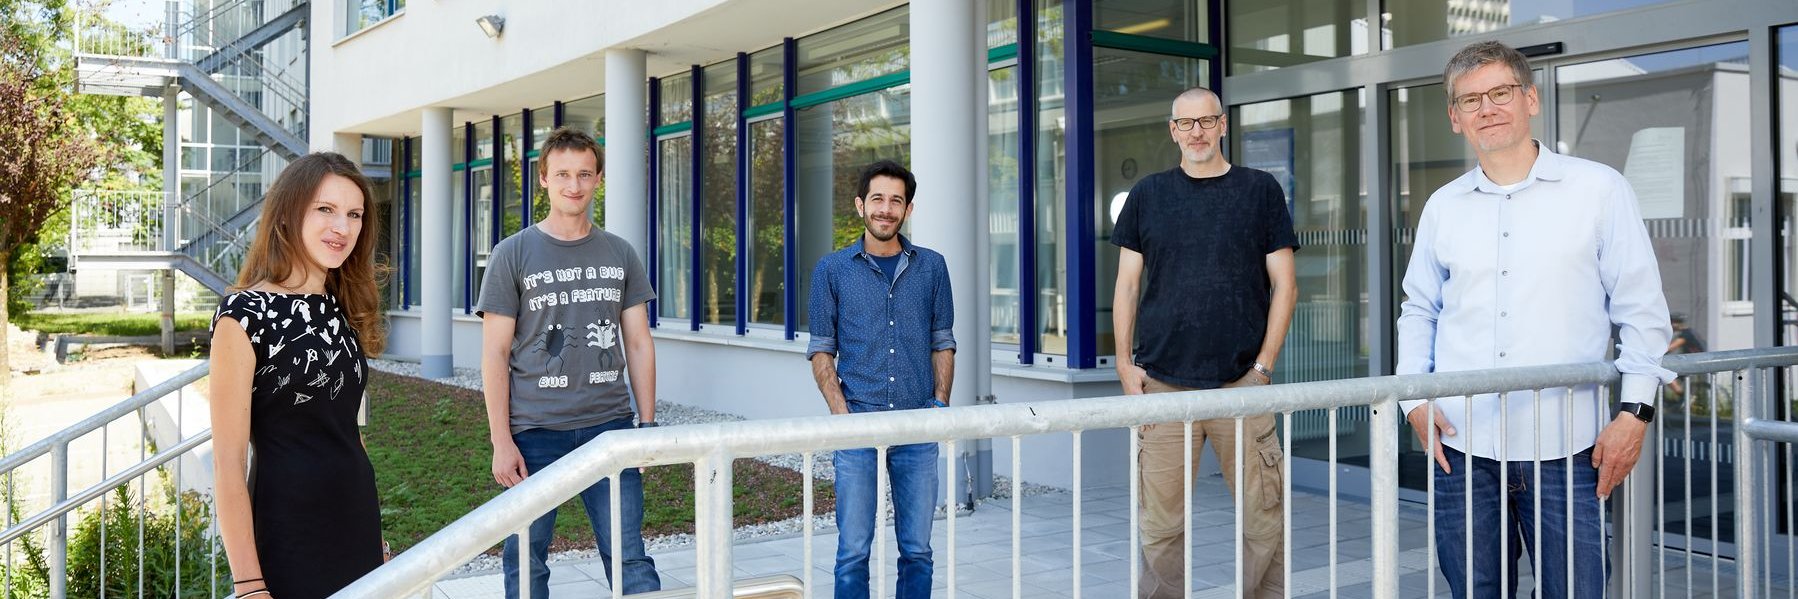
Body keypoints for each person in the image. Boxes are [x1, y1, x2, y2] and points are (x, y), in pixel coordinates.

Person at [1397, 40, 1675, 599]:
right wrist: (1413, 399)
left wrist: (1635, 412)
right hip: (1463, 447)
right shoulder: (1443, 206)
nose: (1487, 109)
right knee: (1473, 590)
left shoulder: (1599, 190)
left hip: (1568, 446)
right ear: (1455, 118)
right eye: (1470, 100)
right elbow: (1419, 307)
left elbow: (1642, 311)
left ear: (1531, 99)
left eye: (1500, 93)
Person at [1111, 86, 1298, 599]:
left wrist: (1262, 370)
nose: (1196, 132)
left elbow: (1286, 284)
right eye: (1185, 123)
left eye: (1206, 121)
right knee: (1162, 529)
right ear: (1173, 131)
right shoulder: (1148, 195)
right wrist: (1125, 365)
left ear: (1222, 125)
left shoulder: (1260, 191)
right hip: (1164, 386)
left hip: (1242, 385)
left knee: (1264, 523)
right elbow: (1127, 286)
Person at [476, 127, 661, 597]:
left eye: (583, 174)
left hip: (610, 429)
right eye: (562, 174)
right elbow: (495, 353)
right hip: (534, 433)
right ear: (543, 179)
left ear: (598, 178)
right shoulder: (511, 254)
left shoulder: (620, 252)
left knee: (629, 556)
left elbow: (638, 343)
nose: (573, 185)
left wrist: (648, 424)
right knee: (525, 560)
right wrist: (501, 440)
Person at [210, 152, 388, 599]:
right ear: (288, 215)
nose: (342, 227)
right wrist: (249, 585)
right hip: (289, 530)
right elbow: (227, 463)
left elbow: (349, 432)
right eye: (325, 209)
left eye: (354, 214)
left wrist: (378, 539)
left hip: (356, 522)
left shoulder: (339, 307)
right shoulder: (243, 315)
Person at [807, 159, 956, 599]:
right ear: (860, 205)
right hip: (857, 424)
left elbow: (942, 341)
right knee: (853, 551)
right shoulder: (831, 270)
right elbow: (820, 349)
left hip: (917, 426)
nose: (886, 209)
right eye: (878, 199)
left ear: (908, 209)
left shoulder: (932, 267)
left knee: (918, 550)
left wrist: (940, 406)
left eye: (896, 201)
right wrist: (841, 415)